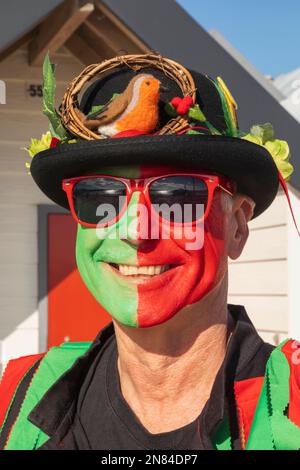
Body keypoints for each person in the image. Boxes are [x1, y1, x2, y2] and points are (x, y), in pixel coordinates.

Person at [0, 53, 298, 451]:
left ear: (238, 226)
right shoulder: (18, 395)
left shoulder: (290, 403)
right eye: (99, 195)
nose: (137, 231)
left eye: (179, 195)